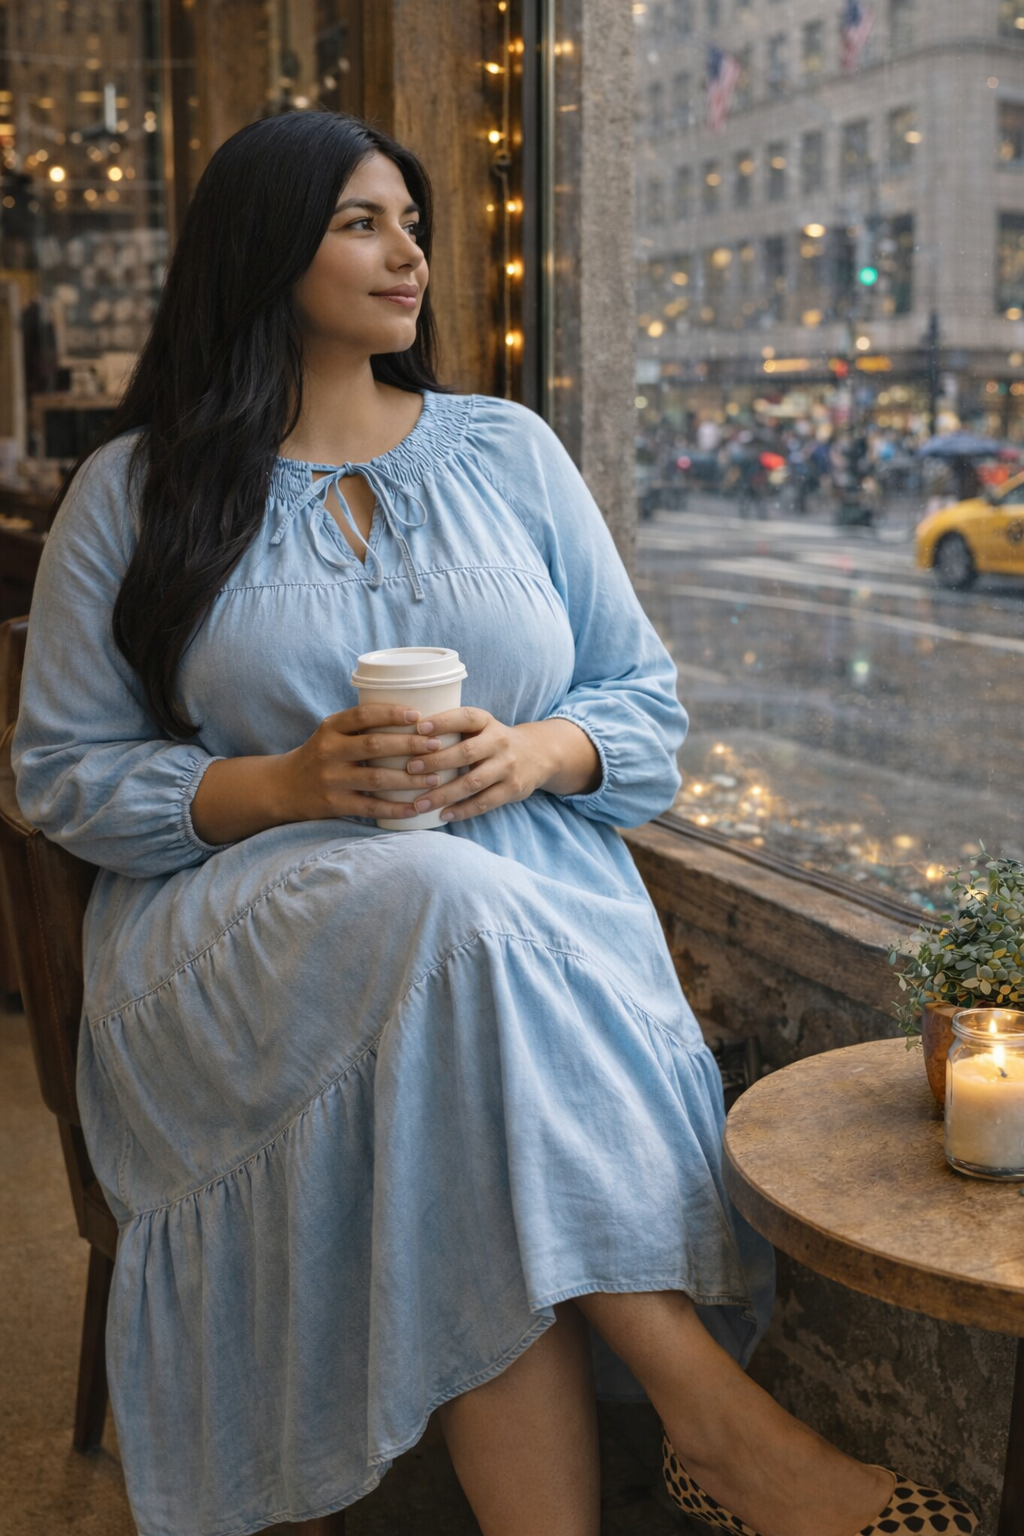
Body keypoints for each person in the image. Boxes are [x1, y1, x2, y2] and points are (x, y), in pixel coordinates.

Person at [11, 110, 974, 1536]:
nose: (408, 251)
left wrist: (531, 751)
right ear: (261, 250)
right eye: (359, 221)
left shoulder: (509, 452)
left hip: (525, 922)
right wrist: (289, 784)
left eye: (412, 222)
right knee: (438, 911)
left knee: (457, 1034)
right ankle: (721, 1425)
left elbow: (644, 710)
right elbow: (59, 777)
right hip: (239, 939)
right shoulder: (135, 488)